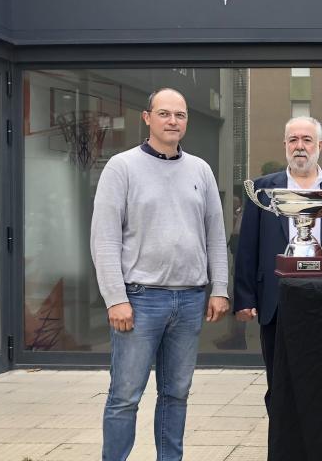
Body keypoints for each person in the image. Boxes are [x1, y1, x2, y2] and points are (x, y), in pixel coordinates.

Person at [91, 88, 230, 461]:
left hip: (189, 300)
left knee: (176, 394)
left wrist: (219, 288)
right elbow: (104, 239)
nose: (173, 121)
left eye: (180, 115)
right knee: (125, 396)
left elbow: (215, 235)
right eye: (165, 114)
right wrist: (115, 298)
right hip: (139, 299)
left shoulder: (200, 169)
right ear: (147, 118)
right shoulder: (121, 167)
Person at [233, 116, 322, 417]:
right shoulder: (263, 190)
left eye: (306, 140)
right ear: (285, 145)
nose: (299, 147)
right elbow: (247, 245)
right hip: (277, 300)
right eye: (293, 140)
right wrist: (245, 297)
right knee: (279, 384)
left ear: (320, 146)